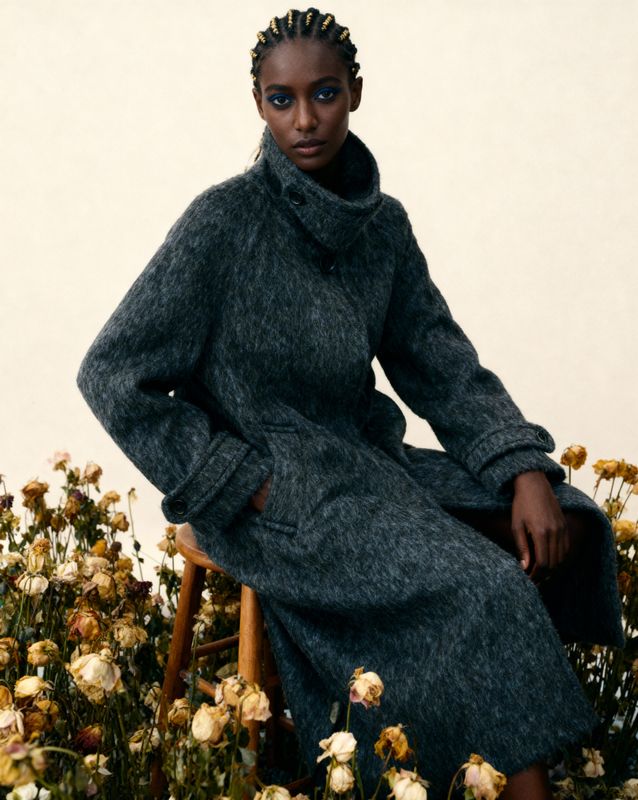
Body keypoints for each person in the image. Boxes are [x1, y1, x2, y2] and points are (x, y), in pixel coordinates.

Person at [75, 8, 625, 800]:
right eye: (282, 99)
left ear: (356, 92)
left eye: (325, 93)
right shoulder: (221, 223)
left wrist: (522, 467)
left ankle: (490, 765)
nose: (305, 120)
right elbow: (112, 371)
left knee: (565, 523)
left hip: (367, 466)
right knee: (488, 585)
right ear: (257, 103)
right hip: (276, 502)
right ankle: (520, 787)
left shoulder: (382, 228)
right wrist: (239, 480)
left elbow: (439, 362)